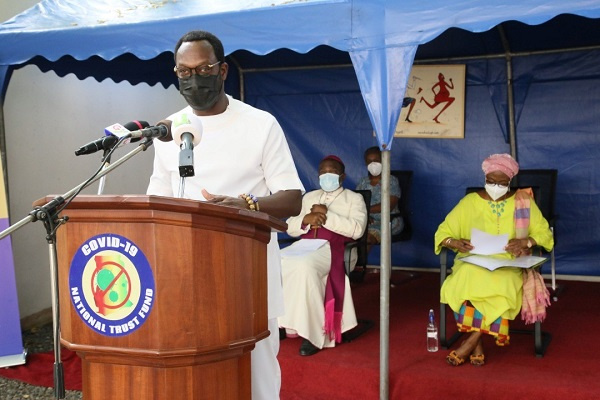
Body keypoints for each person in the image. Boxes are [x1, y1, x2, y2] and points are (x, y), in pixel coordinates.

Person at [146, 30, 304, 399]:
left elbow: (292, 198)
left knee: (257, 375)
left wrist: (244, 204)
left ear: (223, 71)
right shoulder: (167, 131)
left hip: (247, 273)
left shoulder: (260, 124)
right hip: (184, 275)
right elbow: (156, 202)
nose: (193, 78)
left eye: (203, 69)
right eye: (184, 72)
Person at [435, 153, 554, 367]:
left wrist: (526, 242)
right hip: (473, 259)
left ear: (510, 182)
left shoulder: (523, 201)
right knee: (464, 279)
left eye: (501, 183)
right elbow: (444, 231)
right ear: (485, 179)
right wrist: (454, 242)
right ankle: (477, 343)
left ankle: (471, 342)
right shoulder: (469, 202)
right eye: (491, 182)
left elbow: (545, 234)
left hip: (509, 262)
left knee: (503, 284)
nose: (495, 186)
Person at [278, 155, 367, 356]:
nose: (327, 175)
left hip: (333, 249)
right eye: (323, 172)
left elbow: (357, 230)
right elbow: (290, 227)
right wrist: (306, 220)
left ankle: (314, 333)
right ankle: (284, 324)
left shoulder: (354, 199)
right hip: (304, 245)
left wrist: (326, 217)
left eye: (333, 172)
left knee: (304, 266)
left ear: (342, 176)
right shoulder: (308, 197)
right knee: (276, 262)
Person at [356, 146, 404, 250]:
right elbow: (356, 203)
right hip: (366, 220)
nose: (373, 164)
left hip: (390, 221)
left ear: (384, 160)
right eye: (369, 161)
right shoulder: (363, 182)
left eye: (376, 160)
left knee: (368, 238)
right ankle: (349, 265)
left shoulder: (391, 180)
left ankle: (358, 265)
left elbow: (389, 206)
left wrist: (366, 211)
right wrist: (364, 217)